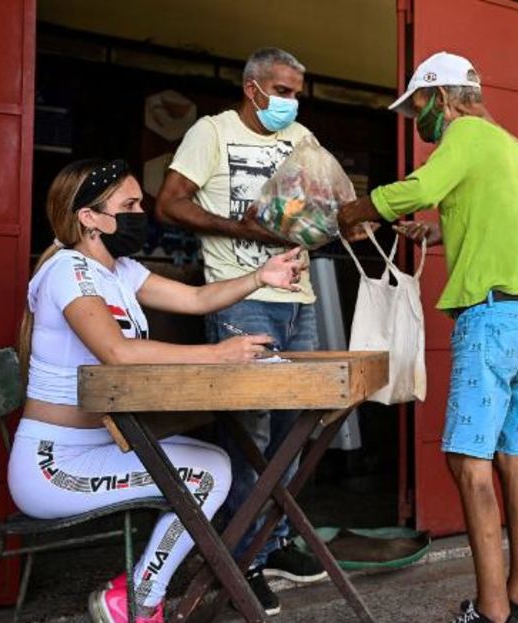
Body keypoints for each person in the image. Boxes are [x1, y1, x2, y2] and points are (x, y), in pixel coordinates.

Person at [11, 159, 304, 623]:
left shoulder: (119, 271)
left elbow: (194, 300)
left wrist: (258, 277)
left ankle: (136, 592)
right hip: (53, 465)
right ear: (89, 217)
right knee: (203, 477)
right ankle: (140, 599)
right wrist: (217, 355)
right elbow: (116, 352)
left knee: (215, 463)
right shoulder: (69, 270)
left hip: (102, 445)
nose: (139, 213)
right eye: (128, 205)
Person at [337, 52, 518, 623]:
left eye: (417, 109)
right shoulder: (513, 148)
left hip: (489, 324)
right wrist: (438, 230)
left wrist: (360, 208)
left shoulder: (463, 134)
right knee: (514, 458)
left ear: (441, 96)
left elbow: (418, 186)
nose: (418, 121)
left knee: (467, 461)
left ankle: (490, 610)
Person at [155, 47, 324, 615]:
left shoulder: (300, 137)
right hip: (241, 297)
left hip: (298, 300)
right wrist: (238, 227)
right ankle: (239, 560)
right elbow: (169, 203)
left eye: (297, 92)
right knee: (248, 434)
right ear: (251, 87)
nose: (290, 101)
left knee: (294, 431)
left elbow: (326, 201)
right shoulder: (211, 132)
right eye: (282, 89)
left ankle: (270, 546)